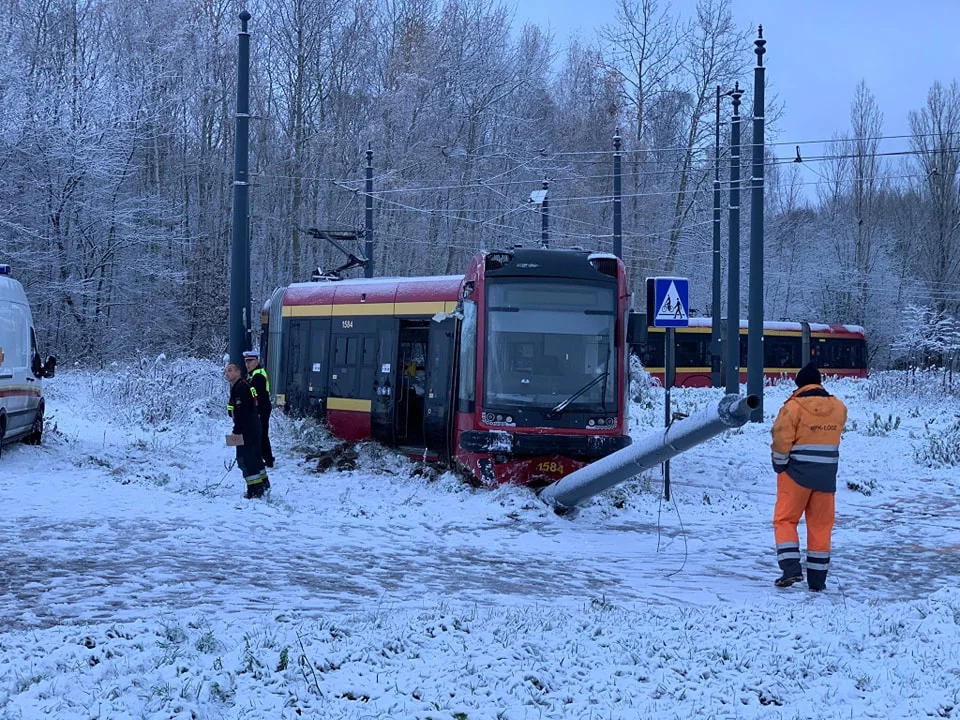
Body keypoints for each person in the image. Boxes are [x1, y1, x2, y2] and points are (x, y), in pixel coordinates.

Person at [770, 362, 848, 591]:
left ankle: (791, 568)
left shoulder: (792, 408)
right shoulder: (838, 407)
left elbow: (780, 439)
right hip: (826, 477)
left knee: (785, 520)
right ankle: (817, 580)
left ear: (799, 384)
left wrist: (780, 464)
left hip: (795, 474)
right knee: (821, 525)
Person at [225, 362, 270, 499]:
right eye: (226, 371)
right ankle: (263, 484)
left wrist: (236, 431)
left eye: (230, 370)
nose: (227, 373)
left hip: (247, 430)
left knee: (245, 459)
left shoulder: (240, 388)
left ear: (238, 372)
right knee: (255, 457)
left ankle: (254, 490)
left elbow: (241, 412)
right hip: (254, 427)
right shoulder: (244, 385)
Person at [243, 350, 274, 468]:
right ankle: (266, 458)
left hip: (261, 408)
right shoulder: (254, 374)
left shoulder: (258, 376)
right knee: (261, 434)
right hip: (261, 408)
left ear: (257, 361)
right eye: (246, 361)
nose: (247, 364)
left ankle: (266, 459)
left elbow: (255, 396)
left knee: (260, 434)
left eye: (250, 361)